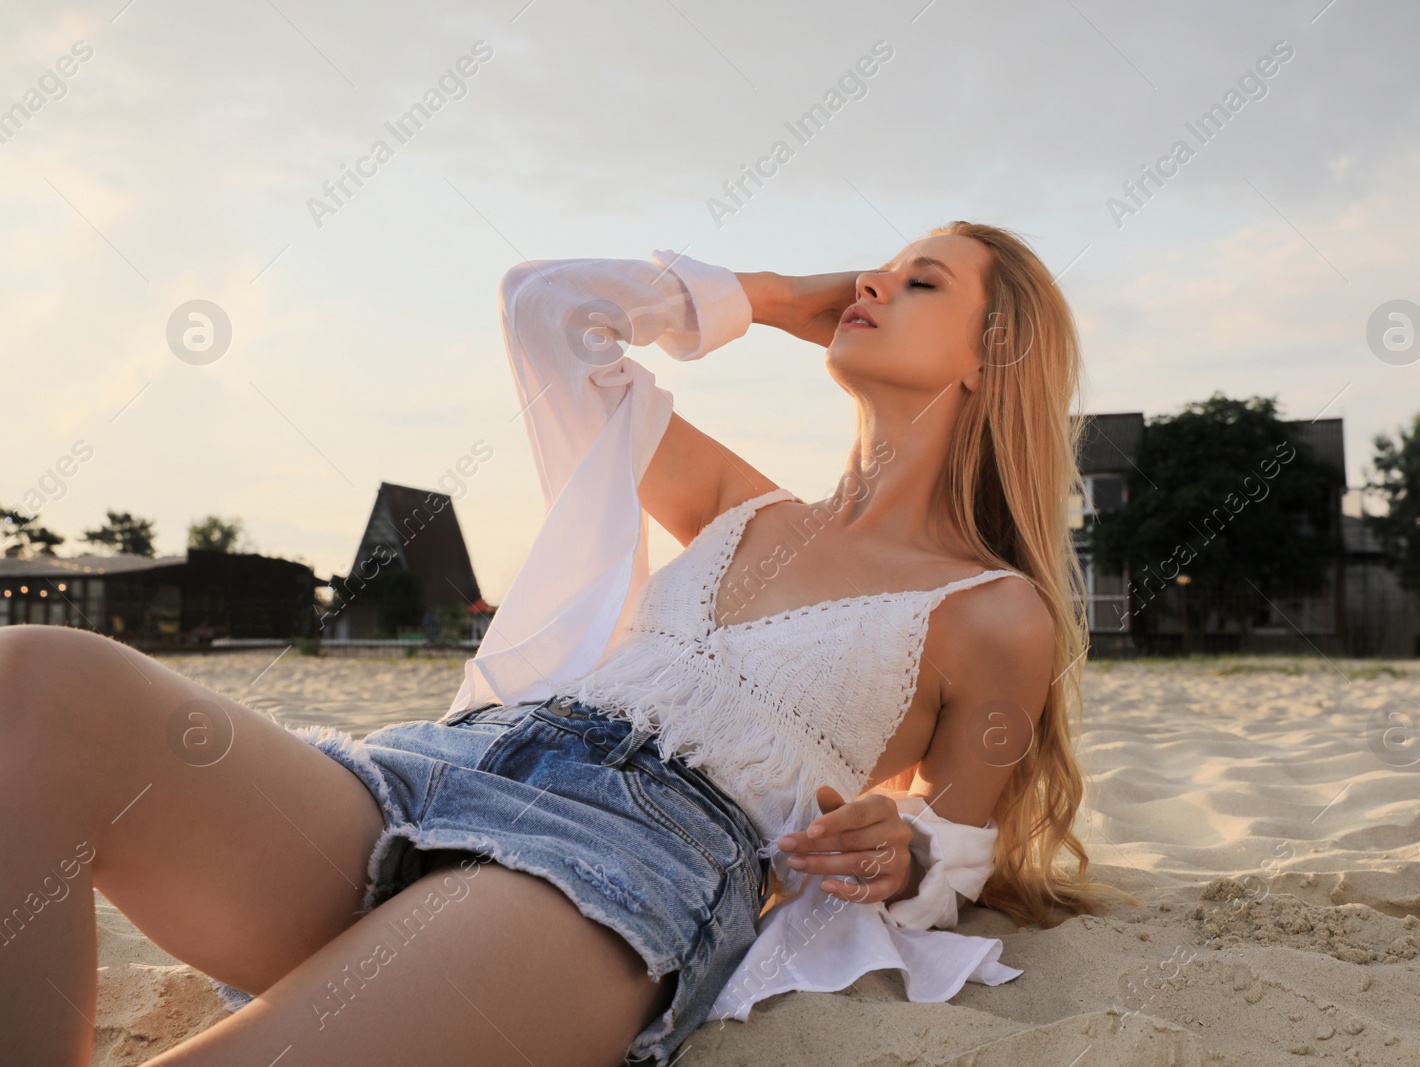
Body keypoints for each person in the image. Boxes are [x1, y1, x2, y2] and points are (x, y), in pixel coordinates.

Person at [0, 221, 1113, 1066]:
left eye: (921, 281)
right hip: (443, 772)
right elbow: (547, 309)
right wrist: (772, 298)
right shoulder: (736, 502)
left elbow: (956, 848)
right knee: (41, 675)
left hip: (624, 863)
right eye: (875, 267)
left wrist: (906, 849)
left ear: (994, 352)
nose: (872, 282)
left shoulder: (991, 607)